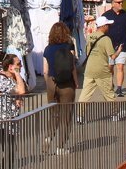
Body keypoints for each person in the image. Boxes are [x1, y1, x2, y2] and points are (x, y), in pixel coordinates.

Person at [41, 22, 77, 155]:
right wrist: (76, 82)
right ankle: (61, 147)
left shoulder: (47, 49)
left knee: (54, 114)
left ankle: (47, 139)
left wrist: (49, 83)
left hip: (51, 81)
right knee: (66, 116)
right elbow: (72, 66)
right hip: (67, 83)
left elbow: (45, 70)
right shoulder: (69, 46)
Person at [79, 16, 117, 102]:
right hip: (102, 70)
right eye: (107, 25)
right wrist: (118, 50)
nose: (108, 27)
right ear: (104, 26)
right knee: (109, 93)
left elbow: (87, 52)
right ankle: (115, 113)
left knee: (85, 94)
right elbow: (113, 56)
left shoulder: (89, 37)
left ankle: (80, 115)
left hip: (89, 69)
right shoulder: (106, 39)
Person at [101, 0, 126, 96]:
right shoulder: (106, 15)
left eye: (122, 2)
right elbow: (101, 30)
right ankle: (110, 85)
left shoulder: (125, 15)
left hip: (122, 44)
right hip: (109, 46)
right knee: (110, 68)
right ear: (113, 3)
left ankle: (119, 88)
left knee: (120, 66)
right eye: (118, 2)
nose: (121, 4)